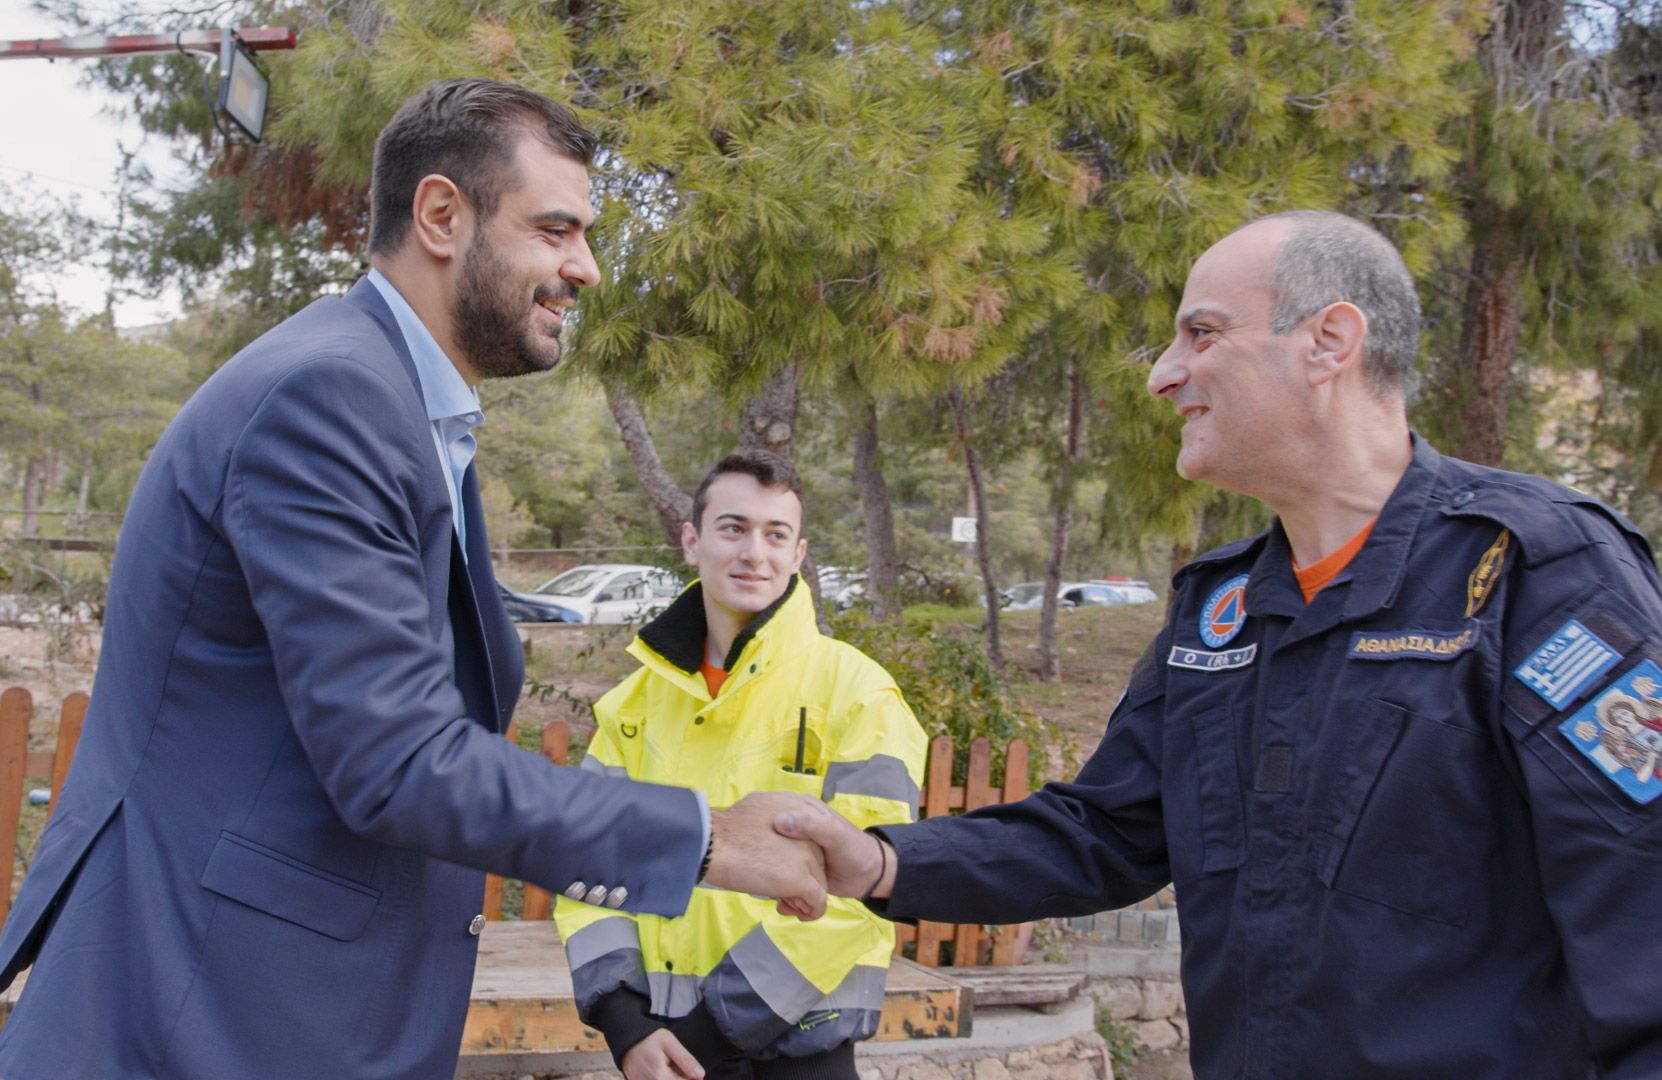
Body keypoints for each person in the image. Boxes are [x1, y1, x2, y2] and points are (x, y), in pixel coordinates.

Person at [0, 79, 823, 1080]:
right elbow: (396, 758)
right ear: (442, 214)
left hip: (274, 1006)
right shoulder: (331, 395)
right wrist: (701, 841)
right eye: (557, 229)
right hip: (202, 1009)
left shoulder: (398, 403)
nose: (587, 268)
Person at [780, 210, 1662, 1078]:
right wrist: (884, 861)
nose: (1165, 376)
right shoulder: (1219, 607)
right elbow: (1107, 830)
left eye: (1202, 333)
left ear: (1330, 342)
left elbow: (1641, 904)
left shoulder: (1532, 568)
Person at [555, 450, 927, 1080]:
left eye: (775, 534)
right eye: (734, 528)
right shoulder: (633, 707)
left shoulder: (859, 693)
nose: (755, 552)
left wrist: (707, 1032)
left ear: (799, 554)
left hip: (799, 1054)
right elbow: (587, 861)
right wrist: (624, 1023)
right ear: (692, 540)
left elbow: (862, 890)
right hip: (659, 1047)